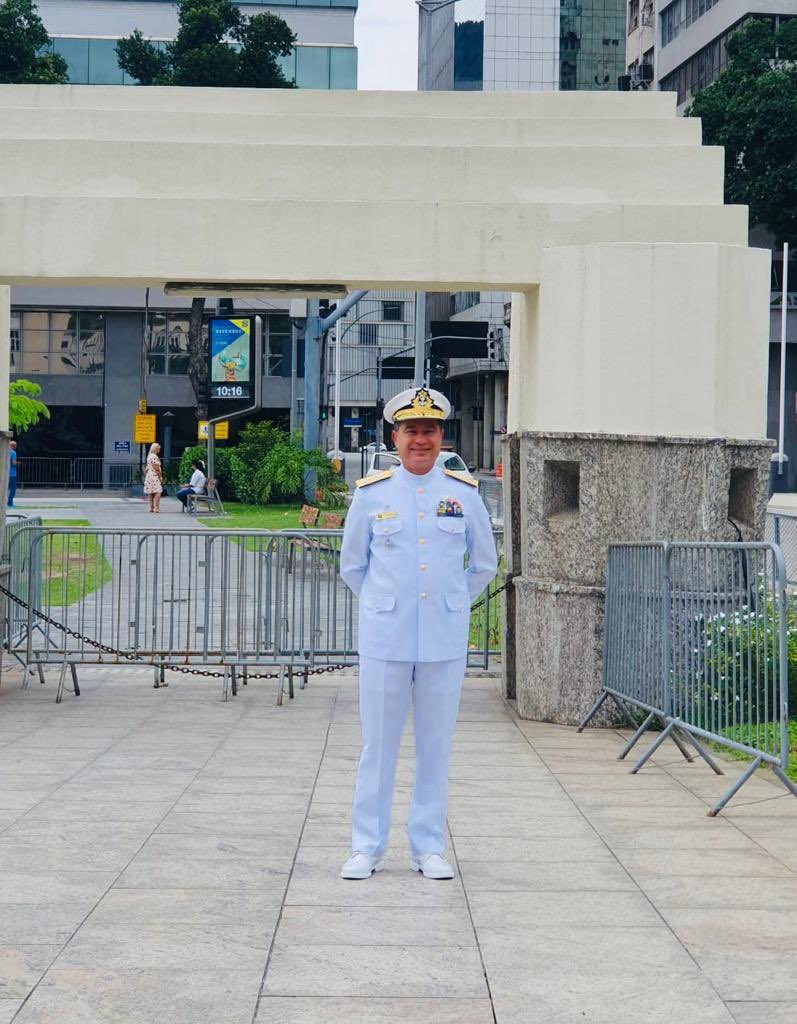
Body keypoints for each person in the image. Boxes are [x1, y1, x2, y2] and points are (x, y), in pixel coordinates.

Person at [339, 386, 497, 881]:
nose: (421, 440)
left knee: (435, 746)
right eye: (412, 431)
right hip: (386, 637)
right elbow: (353, 567)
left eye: (429, 431)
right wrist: (385, 604)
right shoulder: (372, 494)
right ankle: (367, 847)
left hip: (442, 639)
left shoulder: (462, 494)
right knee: (377, 747)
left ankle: (427, 846)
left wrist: (451, 600)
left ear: (440, 435)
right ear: (395, 437)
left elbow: (484, 565)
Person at [143, 442, 163, 513]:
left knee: (150, 492)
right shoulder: (154, 456)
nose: (159, 450)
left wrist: (146, 475)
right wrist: (160, 476)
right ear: (156, 449)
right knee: (158, 491)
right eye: (158, 449)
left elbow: (146, 469)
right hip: (154, 476)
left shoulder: (149, 456)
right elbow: (156, 468)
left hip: (149, 475)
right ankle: (156, 508)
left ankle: (151, 507)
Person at [7, 441, 17, 508]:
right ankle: (10, 503)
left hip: (4, 474)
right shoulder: (13, 453)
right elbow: (14, 463)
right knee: (13, 489)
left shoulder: (4, 451)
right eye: (15, 445)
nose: (16, 447)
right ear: (13, 446)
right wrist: (18, 463)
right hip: (12, 474)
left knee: (4, 489)